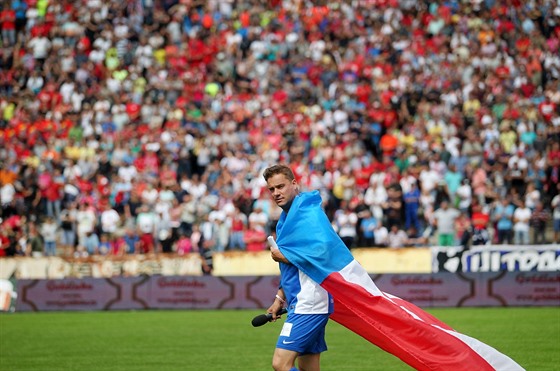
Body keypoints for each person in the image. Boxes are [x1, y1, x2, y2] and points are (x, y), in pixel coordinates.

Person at [263, 164, 333, 371]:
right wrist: (279, 298)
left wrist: (284, 257)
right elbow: (292, 270)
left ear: (294, 184)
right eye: (272, 189)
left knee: (281, 363)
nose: (276, 193)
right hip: (302, 300)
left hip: (310, 302)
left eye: (281, 186)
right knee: (308, 368)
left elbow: (324, 253)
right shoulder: (286, 219)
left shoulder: (309, 215)